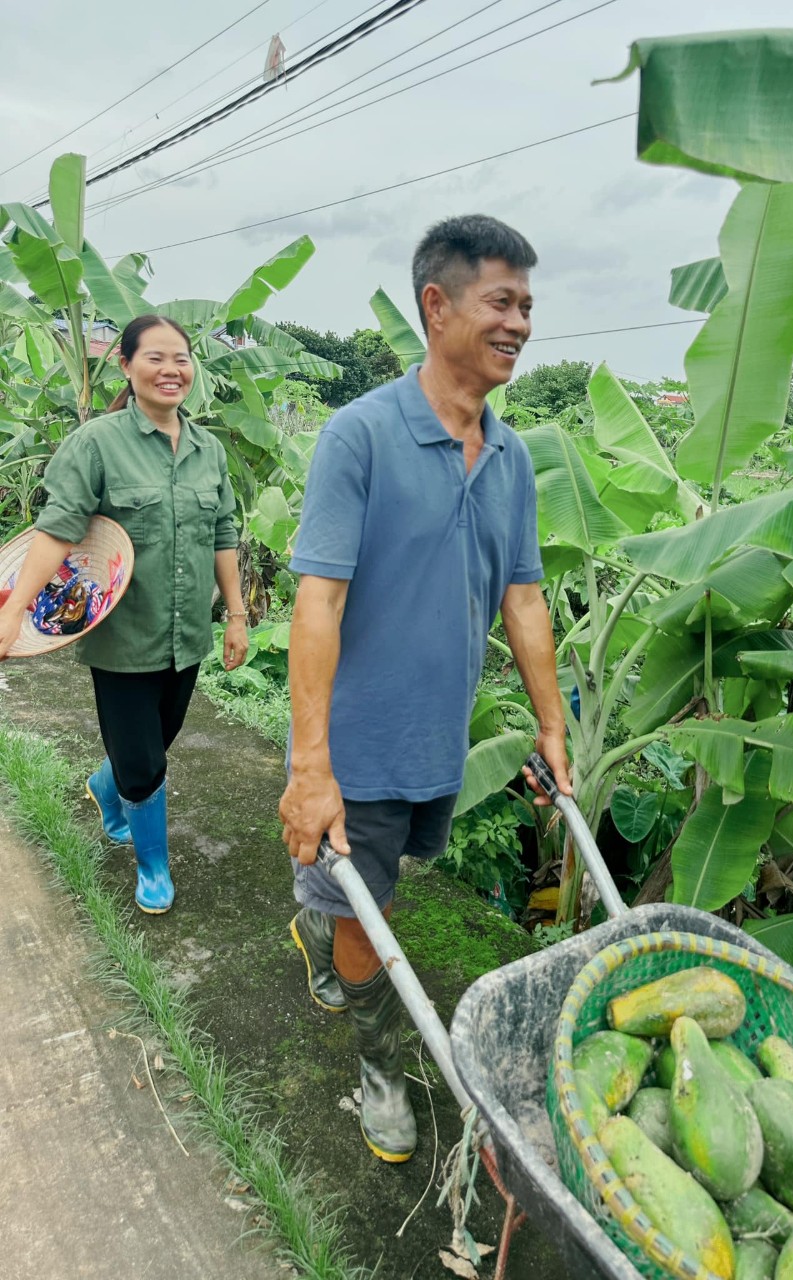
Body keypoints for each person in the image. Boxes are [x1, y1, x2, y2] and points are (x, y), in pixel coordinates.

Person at [279, 214, 572, 1164]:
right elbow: (316, 604)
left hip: (434, 740)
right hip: (356, 744)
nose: (520, 323)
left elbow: (524, 600)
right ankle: (379, 1066)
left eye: (527, 305)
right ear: (436, 305)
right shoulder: (359, 436)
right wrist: (310, 767)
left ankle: (318, 923)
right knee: (371, 914)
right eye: (501, 301)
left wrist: (553, 725)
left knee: (369, 894)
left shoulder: (515, 456)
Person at [0, 314, 249, 912]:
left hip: (185, 634)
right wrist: (15, 610)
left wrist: (237, 615)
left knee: (159, 740)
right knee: (143, 762)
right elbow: (56, 530)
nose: (172, 370)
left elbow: (223, 533)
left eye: (182, 359)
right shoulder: (97, 443)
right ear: (127, 365)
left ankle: (103, 787)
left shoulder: (208, 450)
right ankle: (153, 865)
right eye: (156, 358)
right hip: (121, 639)